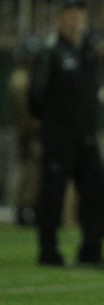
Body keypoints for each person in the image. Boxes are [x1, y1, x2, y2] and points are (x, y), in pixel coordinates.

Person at [28, 0, 104, 267]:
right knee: (52, 193)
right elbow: (36, 95)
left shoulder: (88, 49)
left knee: (96, 191)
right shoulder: (51, 50)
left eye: (79, 13)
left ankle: (91, 249)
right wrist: (52, 124)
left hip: (85, 135)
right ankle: (48, 250)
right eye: (70, 13)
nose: (75, 19)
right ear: (61, 17)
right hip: (59, 135)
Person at [7, 36, 42, 226]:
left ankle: (24, 209)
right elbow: (25, 112)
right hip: (26, 133)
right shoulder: (21, 79)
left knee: (30, 172)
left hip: (25, 132)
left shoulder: (24, 77)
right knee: (28, 172)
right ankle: (22, 210)